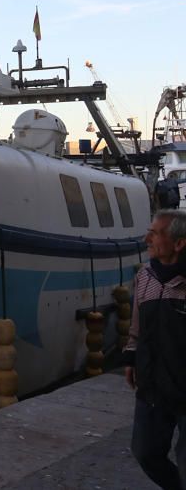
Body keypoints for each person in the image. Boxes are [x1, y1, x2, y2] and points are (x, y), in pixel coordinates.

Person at [125, 209, 186, 489]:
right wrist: (131, 357)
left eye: (155, 232)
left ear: (179, 243)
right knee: (146, 452)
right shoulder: (145, 276)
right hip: (152, 385)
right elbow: (137, 325)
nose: (146, 238)